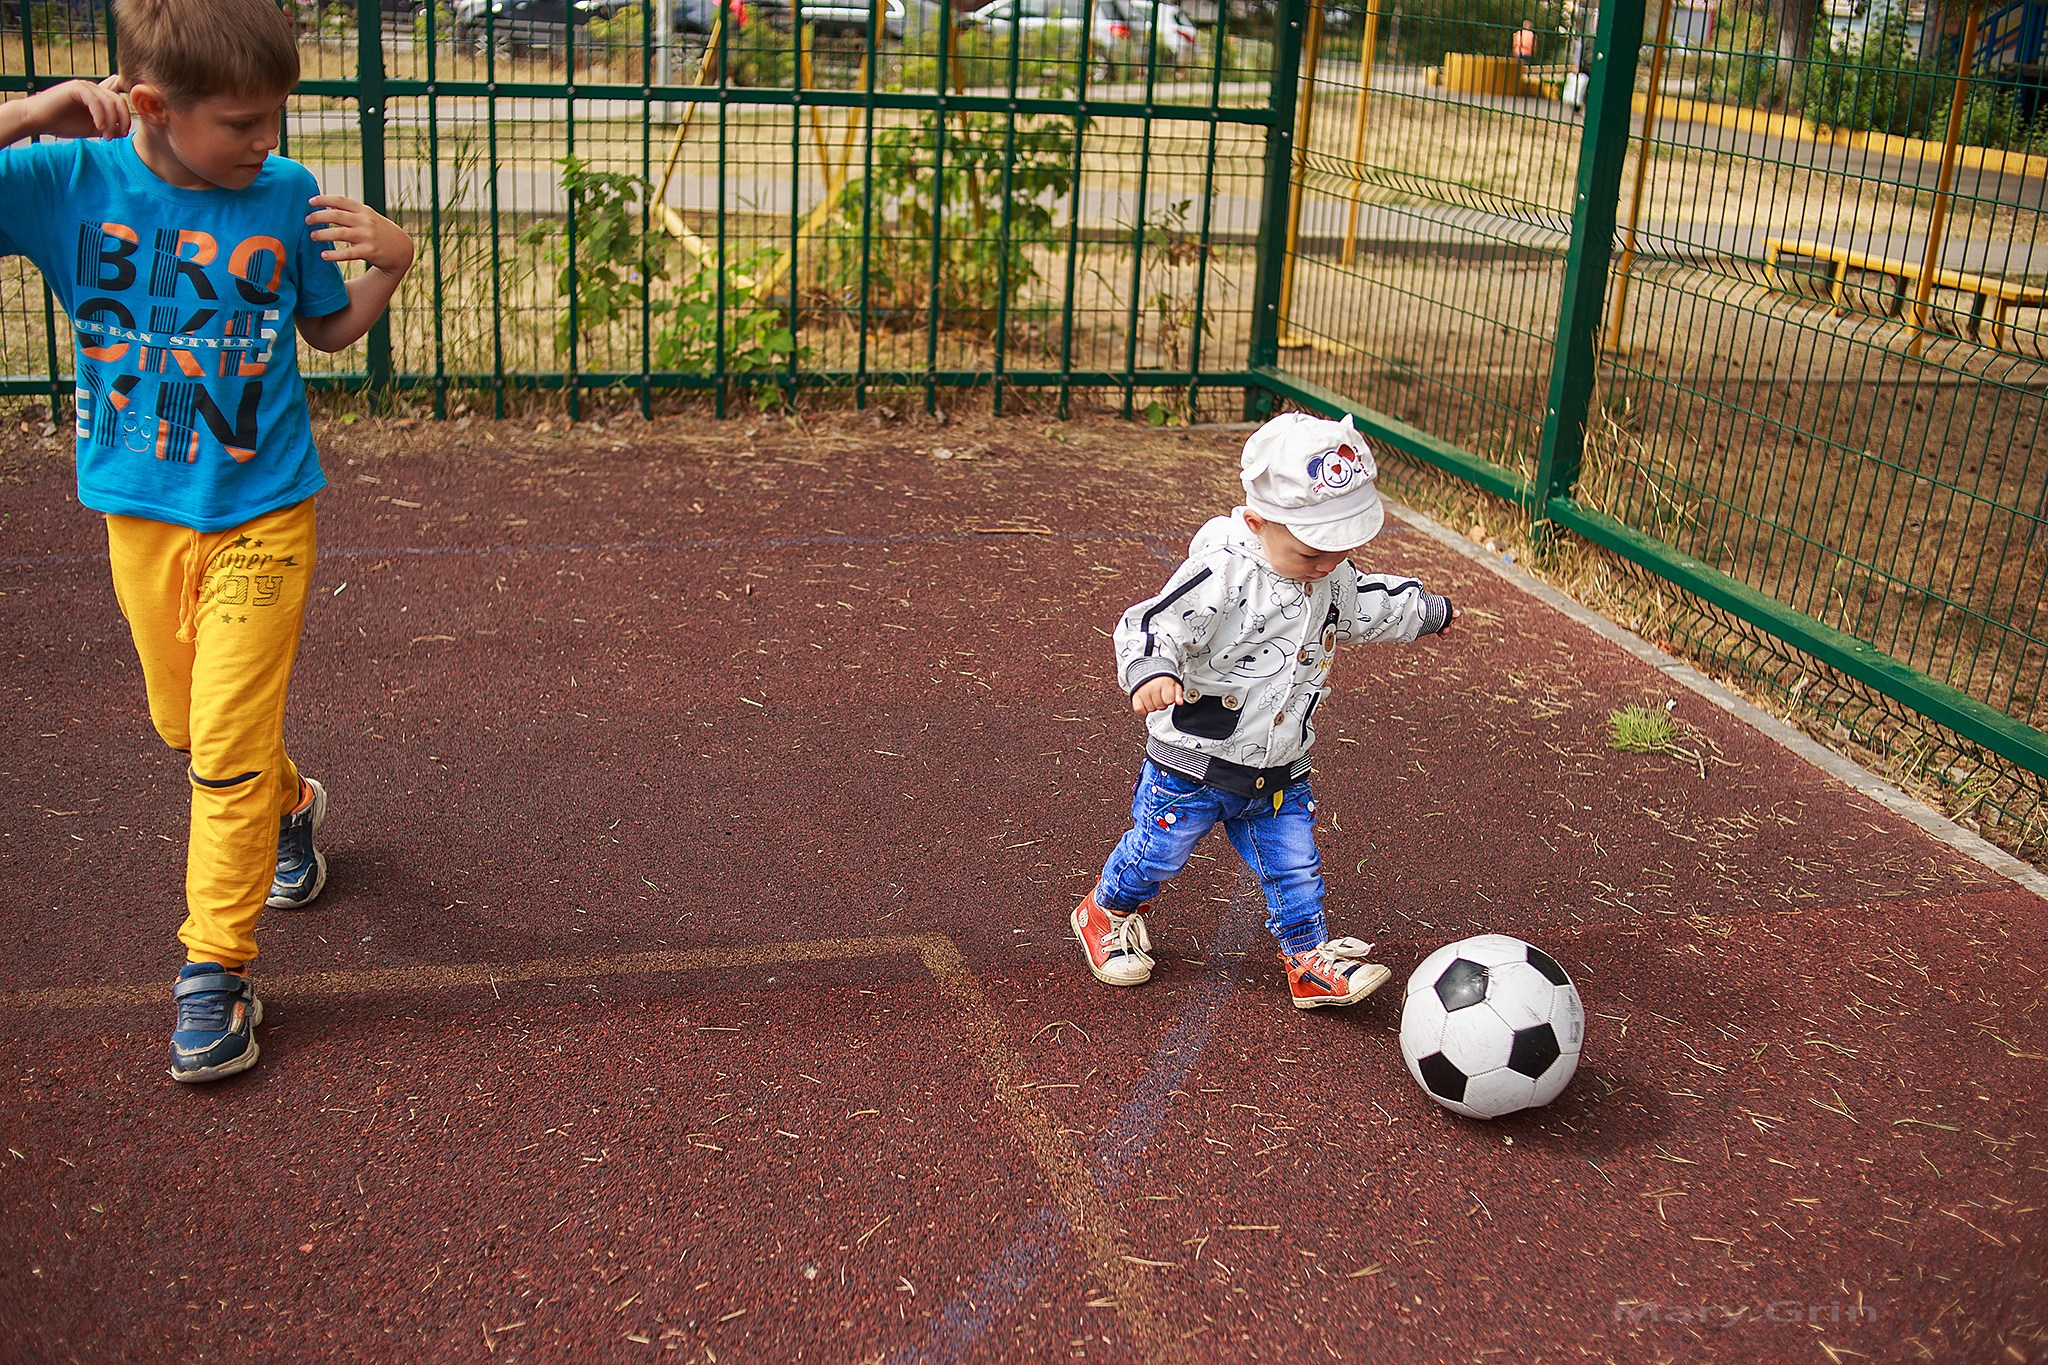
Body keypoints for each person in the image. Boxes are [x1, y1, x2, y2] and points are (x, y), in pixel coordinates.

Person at [0, 0, 415, 1082]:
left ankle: (214, 970)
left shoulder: (283, 197)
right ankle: (293, 809)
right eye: (241, 122)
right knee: (182, 726)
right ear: (149, 105)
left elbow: (324, 328)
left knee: (222, 750)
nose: (268, 142)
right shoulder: (69, 185)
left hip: (266, 511)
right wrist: (35, 110)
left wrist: (393, 261)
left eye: (276, 114)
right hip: (139, 517)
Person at [1070, 412, 1459, 1008]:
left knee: (1297, 868)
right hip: (1192, 764)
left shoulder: (1330, 575)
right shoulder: (1222, 574)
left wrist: (1422, 610)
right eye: (1311, 554)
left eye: (1342, 549)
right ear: (1257, 523)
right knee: (1157, 854)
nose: (1328, 565)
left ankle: (1307, 960)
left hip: (1280, 765)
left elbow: (1370, 603)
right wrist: (1153, 669)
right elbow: (1152, 623)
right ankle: (1106, 910)